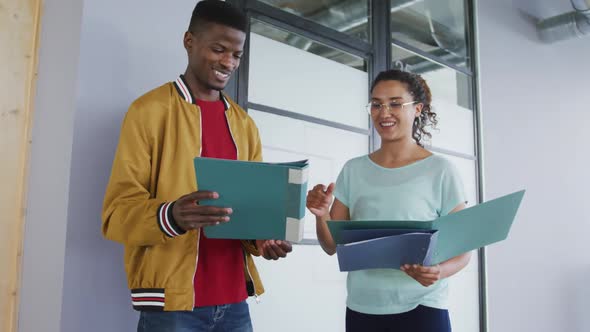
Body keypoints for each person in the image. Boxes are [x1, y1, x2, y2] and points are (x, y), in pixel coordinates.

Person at [101, 1, 292, 331]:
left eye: (237, 55)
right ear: (189, 41)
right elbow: (116, 214)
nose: (228, 62)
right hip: (173, 308)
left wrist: (263, 240)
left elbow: (249, 213)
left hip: (235, 302)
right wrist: (171, 215)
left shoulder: (245, 126)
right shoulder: (148, 112)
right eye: (219, 49)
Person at [306, 69, 471, 332]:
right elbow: (331, 245)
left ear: (417, 109)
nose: (384, 113)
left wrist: (439, 271)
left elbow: (463, 251)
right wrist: (321, 213)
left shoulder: (440, 170)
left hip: (423, 308)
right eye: (376, 104)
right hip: (363, 309)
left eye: (395, 103)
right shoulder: (353, 170)